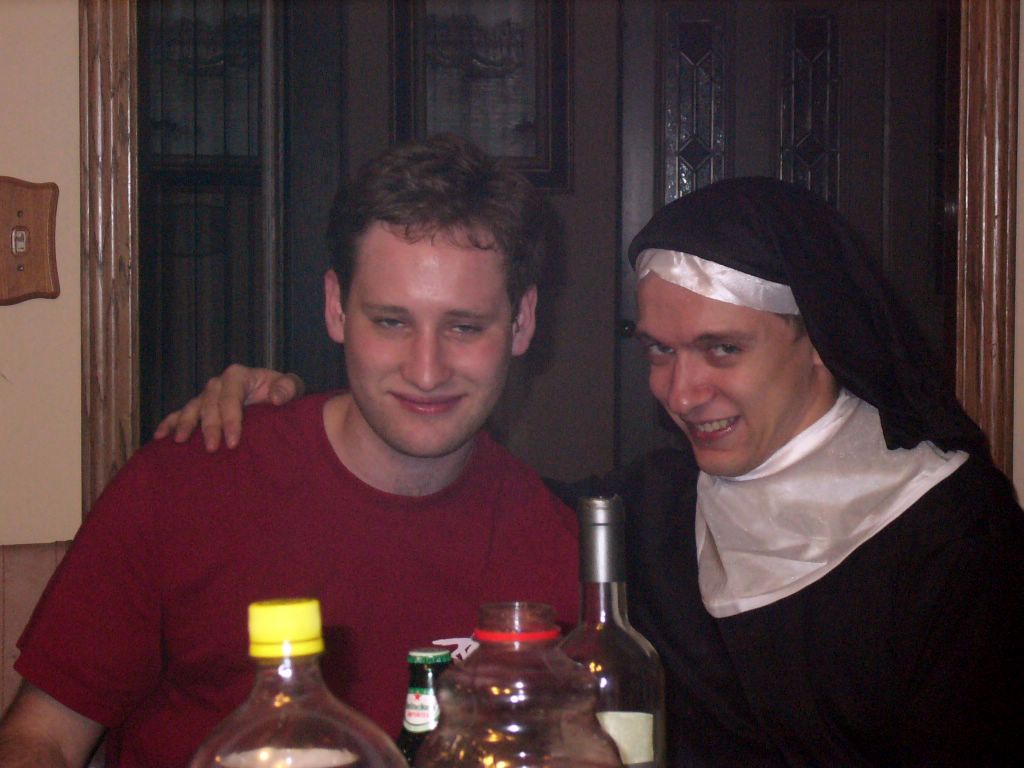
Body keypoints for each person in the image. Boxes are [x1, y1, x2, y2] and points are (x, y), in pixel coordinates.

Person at [169, 177, 1024, 766]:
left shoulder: (955, 534)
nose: (681, 393)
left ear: (821, 341)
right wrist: (284, 407)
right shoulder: (651, 510)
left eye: (722, 350)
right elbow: (439, 467)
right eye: (659, 352)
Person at [0, 134, 579, 768]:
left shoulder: (553, 547)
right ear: (335, 308)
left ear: (522, 322)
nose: (425, 370)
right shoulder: (188, 482)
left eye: (464, 327)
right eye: (391, 321)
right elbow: (41, 739)